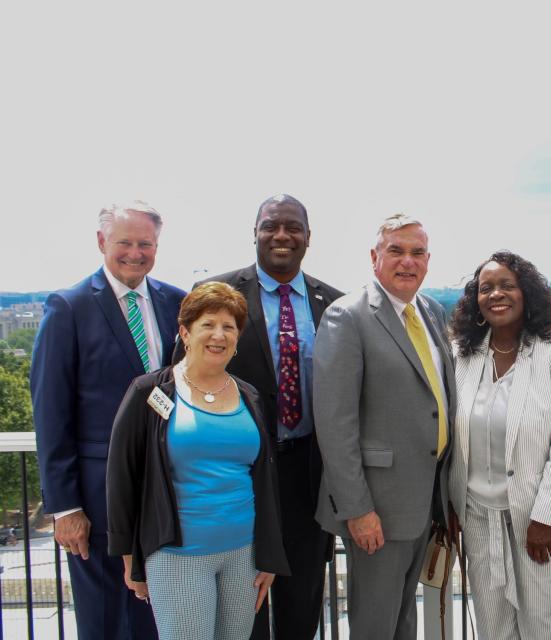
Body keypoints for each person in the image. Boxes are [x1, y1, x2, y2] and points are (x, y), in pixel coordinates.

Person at [190, 194, 342, 640]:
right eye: (271, 226)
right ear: (254, 232)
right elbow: (181, 383)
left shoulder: (333, 304)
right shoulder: (217, 298)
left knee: (302, 605)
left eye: (293, 227)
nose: (282, 235)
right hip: (239, 477)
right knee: (243, 608)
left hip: (308, 476)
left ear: (308, 238)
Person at [30, 201, 185, 640]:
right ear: (102, 242)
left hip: (168, 490)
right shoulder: (69, 308)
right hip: (98, 500)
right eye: (125, 242)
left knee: (158, 616)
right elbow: (51, 412)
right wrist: (65, 507)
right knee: (103, 619)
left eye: (145, 244)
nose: (135, 253)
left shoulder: (175, 302)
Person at [106, 282, 289, 639]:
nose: (219, 335)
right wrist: (132, 559)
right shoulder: (150, 393)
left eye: (229, 326)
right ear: (185, 332)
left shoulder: (249, 395)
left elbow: (264, 479)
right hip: (178, 556)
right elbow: (121, 477)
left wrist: (267, 554)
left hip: (243, 555)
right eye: (208, 324)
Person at [313, 213, 455, 639]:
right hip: (377, 508)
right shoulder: (347, 316)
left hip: (425, 500)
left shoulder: (429, 311)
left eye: (417, 253)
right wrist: (358, 510)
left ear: (428, 260)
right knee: (375, 625)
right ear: (375, 257)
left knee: (402, 621)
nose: (407, 261)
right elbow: (335, 423)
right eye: (396, 251)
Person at [447, 251, 551, 639]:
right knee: (492, 626)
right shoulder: (461, 356)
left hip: (538, 518)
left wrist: (545, 516)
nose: (496, 294)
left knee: (542, 625)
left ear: (527, 293)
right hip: (476, 515)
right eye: (486, 287)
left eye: (507, 285)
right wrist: (452, 502)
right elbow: (447, 438)